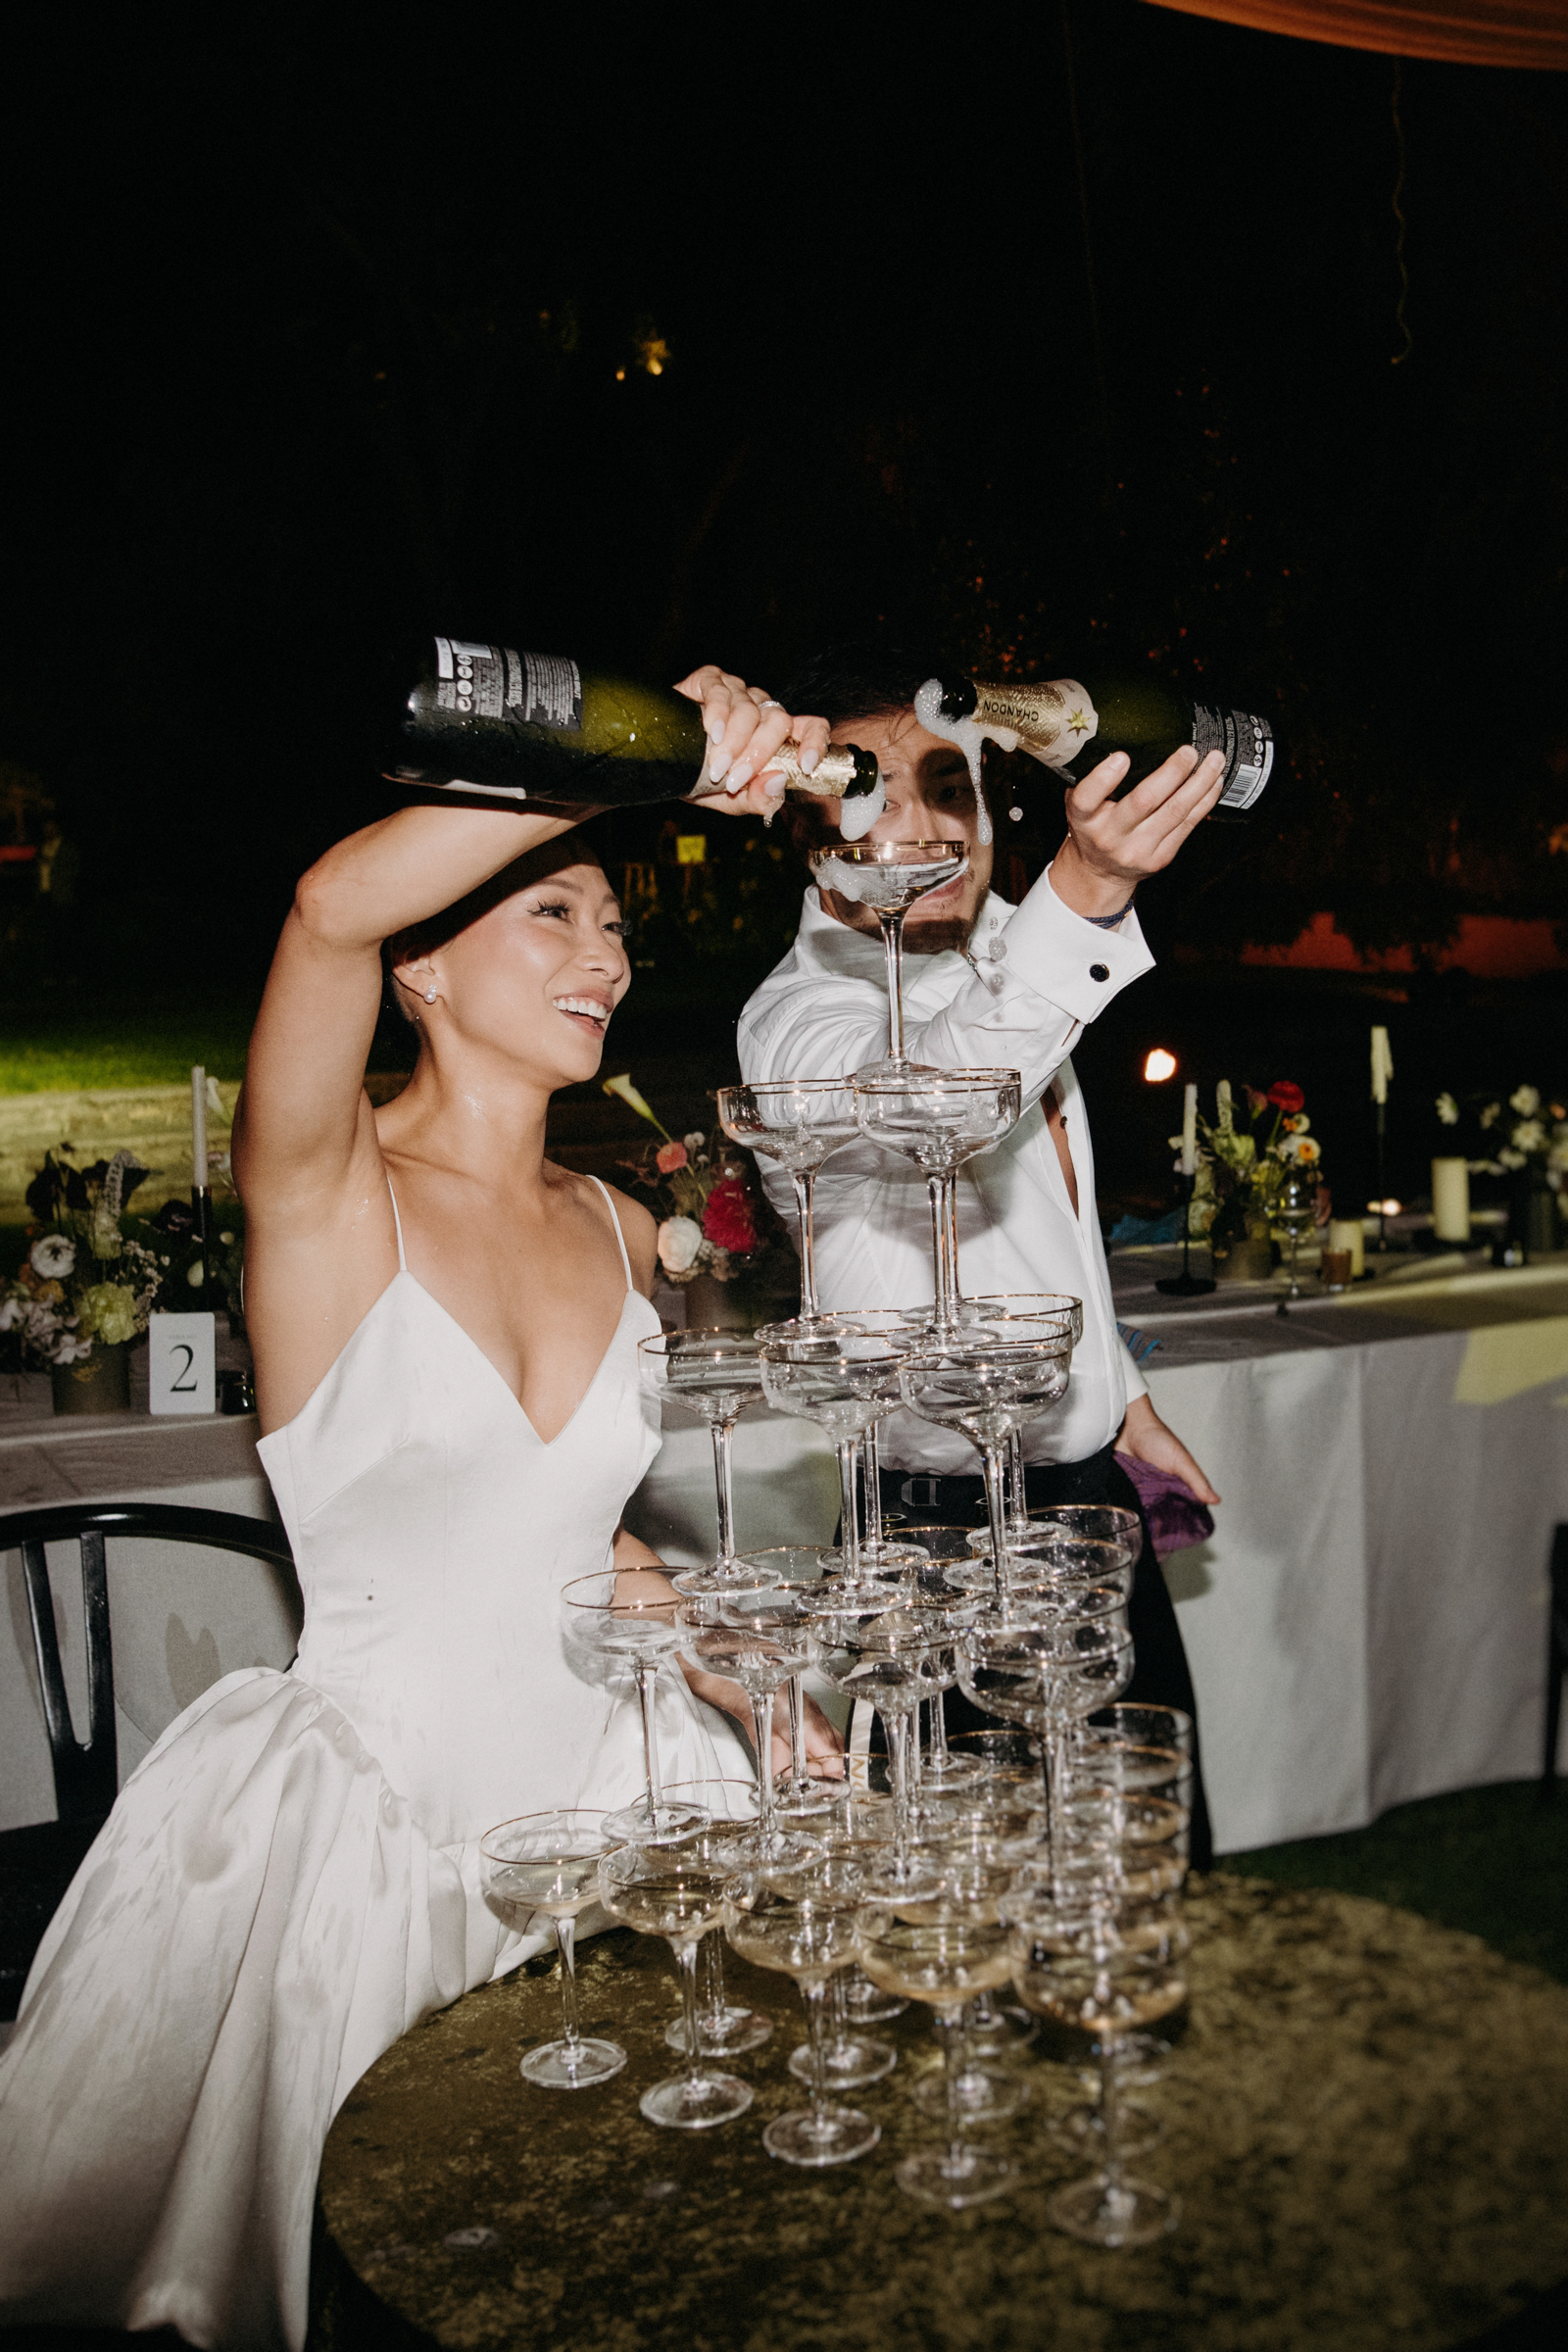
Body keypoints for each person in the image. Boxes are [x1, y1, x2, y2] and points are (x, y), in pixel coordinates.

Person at [0, 744, 830, 2351]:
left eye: (618, 924)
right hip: (381, 1831)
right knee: (401, 2265)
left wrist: (745, 1694)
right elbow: (323, 908)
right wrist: (644, 767)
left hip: (615, 1788)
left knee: (646, 2252)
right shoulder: (325, 1192)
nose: (609, 954)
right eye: (557, 913)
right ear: (425, 967)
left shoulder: (604, 1222)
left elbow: (578, 1539)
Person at [722, 644, 1223, 1864]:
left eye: (948, 788)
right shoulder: (795, 1017)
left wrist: (1121, 1394)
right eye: (870, 794)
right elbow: (947, 1093)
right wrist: (1089, 889)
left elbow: (1041, 1219)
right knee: (963, 1938)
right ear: (808, 837)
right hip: (932, 1537)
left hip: (1084, 1511)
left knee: (1145, 1881)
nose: (918, 825)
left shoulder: (1009, 957)